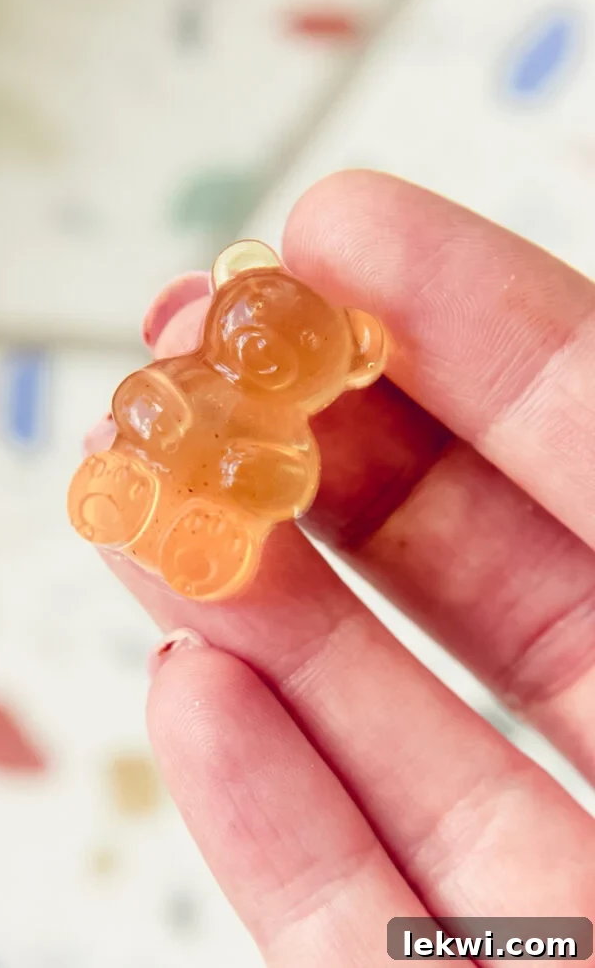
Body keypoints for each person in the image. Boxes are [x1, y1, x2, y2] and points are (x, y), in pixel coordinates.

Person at [87, 171, 595, 964]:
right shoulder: (192, 380)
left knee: (210, 538)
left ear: (346, 361)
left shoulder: (287, 437)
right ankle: (120, 500)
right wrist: (161, 418)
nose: (263, 355)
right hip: (156, 462)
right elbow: (141, 403)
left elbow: (283, 481)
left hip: (211, 508)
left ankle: (182, 533)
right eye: (256, 335)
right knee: (136, 486)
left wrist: (243, 472)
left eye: (292, 358)